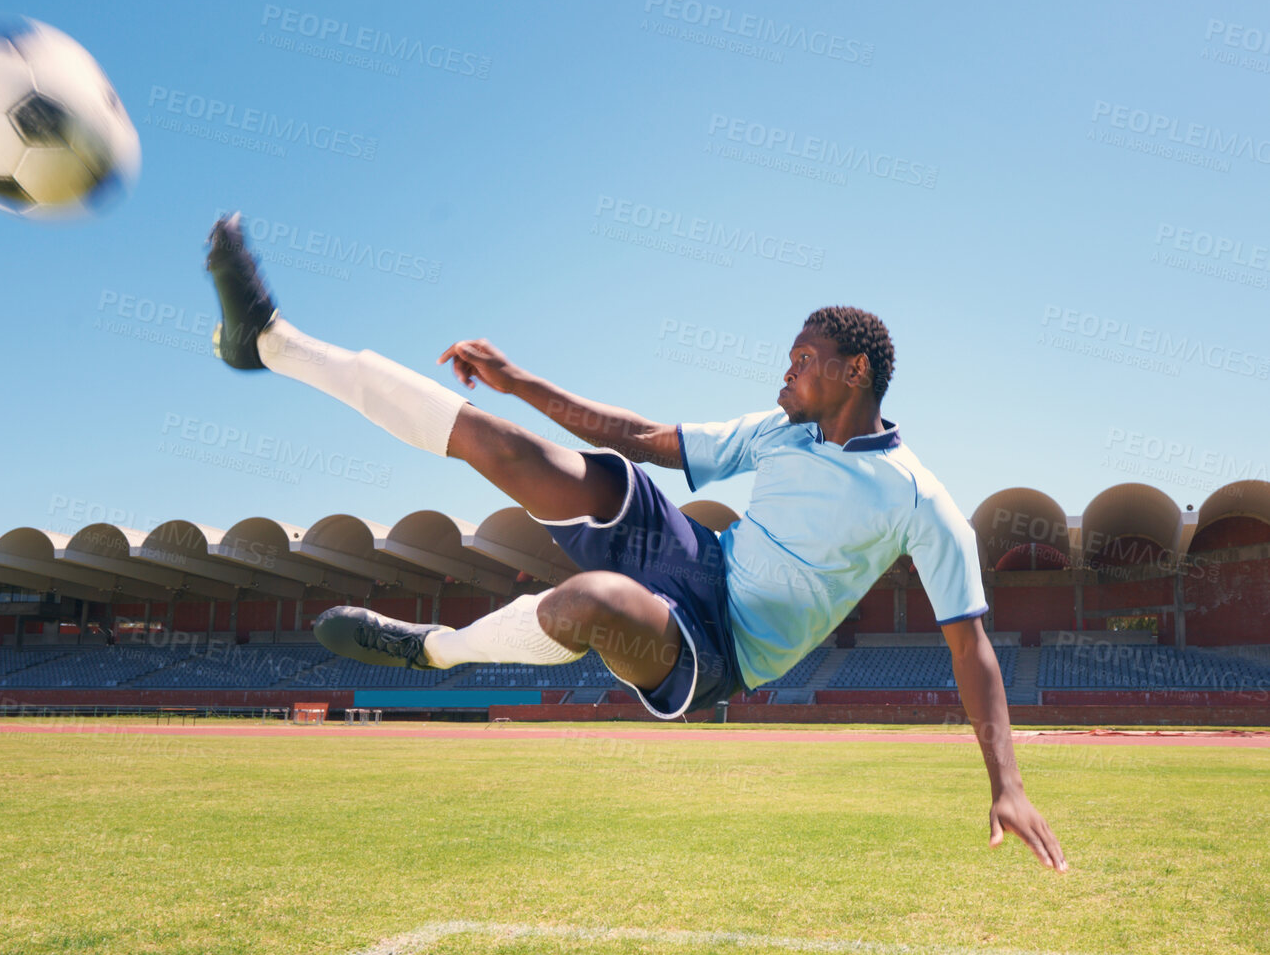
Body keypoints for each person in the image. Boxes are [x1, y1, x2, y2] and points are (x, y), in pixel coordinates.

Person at [205, 215, 1066, 871]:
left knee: (592, 604)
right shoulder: (779, 432)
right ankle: (274, 343)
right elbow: (647, 437)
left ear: (853, 374)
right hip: (698, 561)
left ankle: (430, 651)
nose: (784, 372)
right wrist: (519, 381)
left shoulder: (921, 498)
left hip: (723, 649)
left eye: (801, 359)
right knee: (510, 448)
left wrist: (1008, 780)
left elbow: (973, 648)